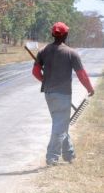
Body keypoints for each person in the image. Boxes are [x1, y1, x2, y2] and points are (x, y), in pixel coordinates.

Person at [31, 22, 95, 165]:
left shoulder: (43, 51)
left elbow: (35, 72)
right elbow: (82, 74)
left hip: (49, 94)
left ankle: (69, 154)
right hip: (63, 94)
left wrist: (45, 81)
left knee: (60, 123)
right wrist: (90, 89)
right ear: (66, 35)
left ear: (53, 34)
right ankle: (52, 157)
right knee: (60, 124)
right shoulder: (71, 53)